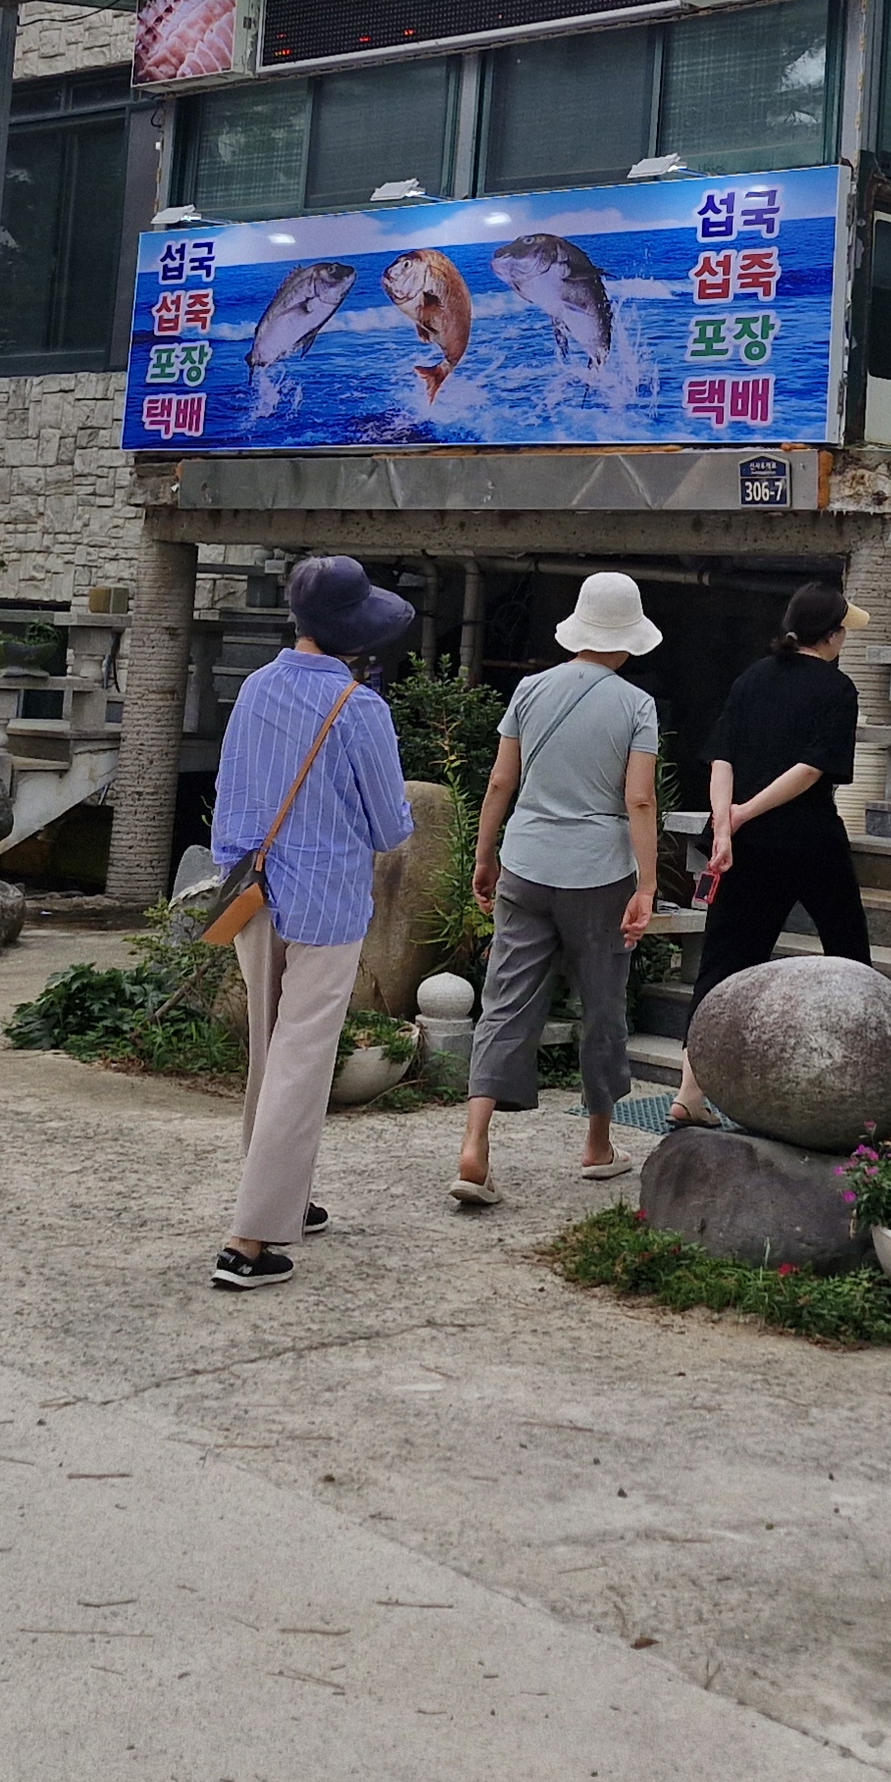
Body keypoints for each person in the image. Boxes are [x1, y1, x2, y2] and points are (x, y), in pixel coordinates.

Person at [208, 555, 418, 1294]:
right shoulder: (360, 708)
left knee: (270, 1051)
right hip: (326, 901)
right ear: (356, 633)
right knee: (302, 1058)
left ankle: (281, 1195)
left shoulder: (255, 687)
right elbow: (390, 827)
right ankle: (249, 1240)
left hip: (250, 892)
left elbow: (231, 797)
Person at [452, 569, 662, 1209]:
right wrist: (648, 885)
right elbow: (640, 799)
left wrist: (484, 856)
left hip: (525, 861)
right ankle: (597, 1145)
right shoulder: (637, 705)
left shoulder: (529, 689)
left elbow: (500, 782)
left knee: (505, 1000)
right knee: (602, 1004)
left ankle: (474, 1145)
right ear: (628, 638)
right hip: (600, 873)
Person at [669, 579, 866, 1126]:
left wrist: (726, 823)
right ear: (831, 635)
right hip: (809, 839)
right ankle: (860, 1087)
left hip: (744, 845)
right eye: (843, 631)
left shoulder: (752, 677)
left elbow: (722, 758)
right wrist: (742, 815)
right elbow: (812, 769)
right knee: (849, 952)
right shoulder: (837, 688)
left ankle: (688, 1092)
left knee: (723, 962)